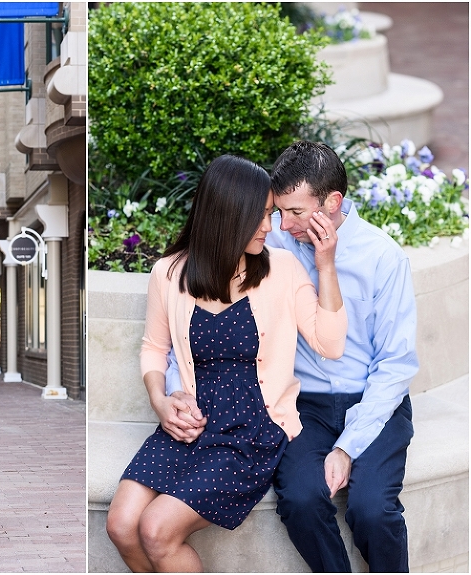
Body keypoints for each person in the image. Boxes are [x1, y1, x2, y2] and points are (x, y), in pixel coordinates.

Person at [169, 141, 419, 572]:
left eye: (296, 212)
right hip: (303, 405)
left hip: (374, 400)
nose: (283, 224)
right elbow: (199, 314)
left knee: (373, 509)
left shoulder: (383, 257)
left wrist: (347, 448)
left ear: (332, 203)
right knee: (301, 500)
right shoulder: (268, 244)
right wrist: (175, 388)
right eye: (278, 211)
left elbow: (395, 365)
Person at [106, 154, 348, 573]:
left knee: (156, 530)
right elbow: (153, 347)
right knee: (121, 525)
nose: (270, 227)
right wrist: (161, 401)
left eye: (271, 214)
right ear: (227, 216)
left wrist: (325, 265)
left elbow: (331, 343)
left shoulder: (282, 268)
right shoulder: (169, 273)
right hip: (189, 424)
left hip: (251, 430)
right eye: (260, 216)